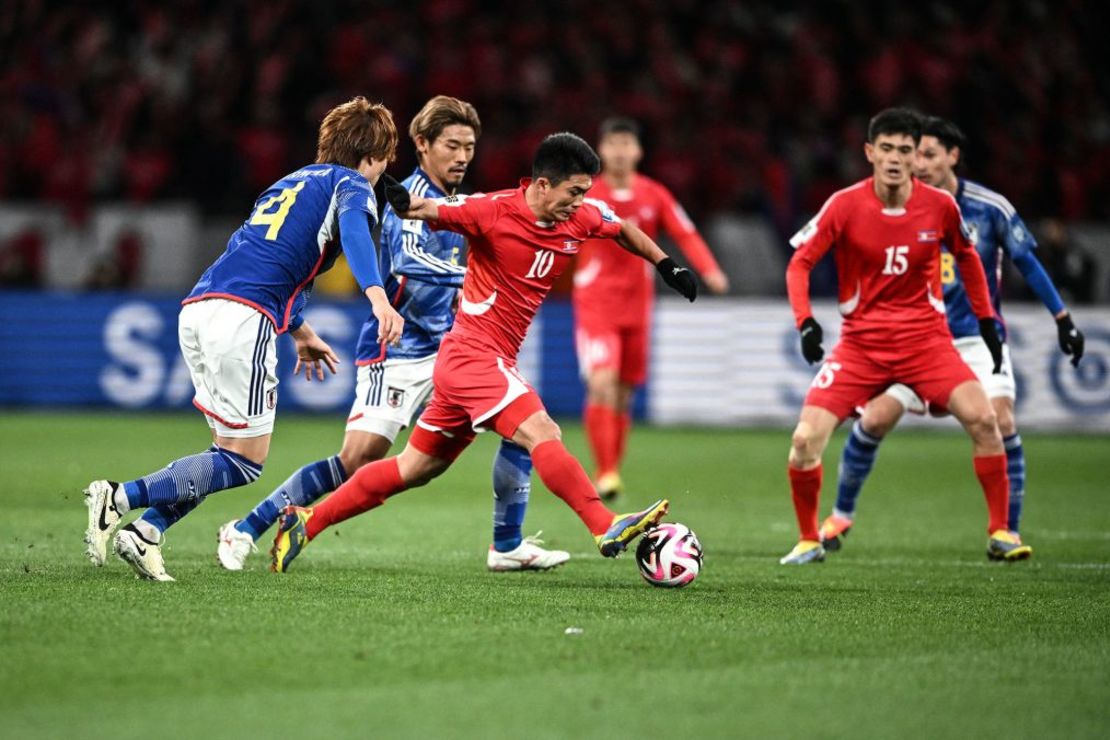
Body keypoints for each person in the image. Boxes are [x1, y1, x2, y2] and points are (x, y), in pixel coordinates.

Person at [269, 131, 700, 572]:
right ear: (543, 184)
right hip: (474, 357)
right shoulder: (492, 211)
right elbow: (424, 207)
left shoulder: (582, 216)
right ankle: (602, 522)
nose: (580, 201)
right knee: (542, 432)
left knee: (414, 468)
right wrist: (391, 191)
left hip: (476, 363)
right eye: (573, 191)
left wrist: (668, 265)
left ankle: (306, 521)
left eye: (585, 192)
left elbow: (623, 228)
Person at [216, 95, 569, 572]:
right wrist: (471, 278)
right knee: (357, 458)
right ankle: (246, 528)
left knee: (525, 426)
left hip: (454, 349)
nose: (463, 156)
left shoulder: (463, 204)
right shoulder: (405, 199)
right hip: (397, 351)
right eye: (452, 144)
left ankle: (506, 545)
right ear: (422, 144)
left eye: (469, 146)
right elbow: (406, 263)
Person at [83, 97, 405, 581]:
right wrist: (378, 296)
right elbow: (358, 234)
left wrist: (302, 332)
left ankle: (145, 533)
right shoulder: (352, 184)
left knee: (222, 452)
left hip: (201, 306)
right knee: (244, 462)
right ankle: (120, 496)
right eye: (386, 159)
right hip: (241, 319)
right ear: (375, 155)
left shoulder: (289, 183)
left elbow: (274, 261)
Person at [818, 116, 1086, 559]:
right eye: (911, 153)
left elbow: (1028, 263)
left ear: (952, 156)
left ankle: (1006, 533)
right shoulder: (895, 205)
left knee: (997, 421)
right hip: (915, 339)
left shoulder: (988, 207)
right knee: (873, 421)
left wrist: (1062, 318)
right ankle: (841, 515)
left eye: (926, 154)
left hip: (973, 340)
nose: (916, 163)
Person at [779, 107, 1023, 565]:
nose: (894, 158)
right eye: (886, 148)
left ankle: (1001, 531)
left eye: (905, 150)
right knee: (804, 440)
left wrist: (987, 319)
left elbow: (968, 258)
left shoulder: (940, 206)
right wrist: (805, 321)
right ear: (870, 152)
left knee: (986, 421)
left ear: (917, 158)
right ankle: (810, 539)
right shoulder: (844, 204)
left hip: (926, 344)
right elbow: (800, 263)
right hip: (861, 348)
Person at [573, 117, 730, 500]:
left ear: (638, 151)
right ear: (601, 150)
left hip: (638, 307)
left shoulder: (653, 194)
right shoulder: (586, 194)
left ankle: (613, 470)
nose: (620, 151)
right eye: (613, 144)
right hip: (596, 304)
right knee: (602, 383)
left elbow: (685, 232)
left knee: (624, 393)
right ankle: (605, 472)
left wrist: (709, 270)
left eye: (627, 144)